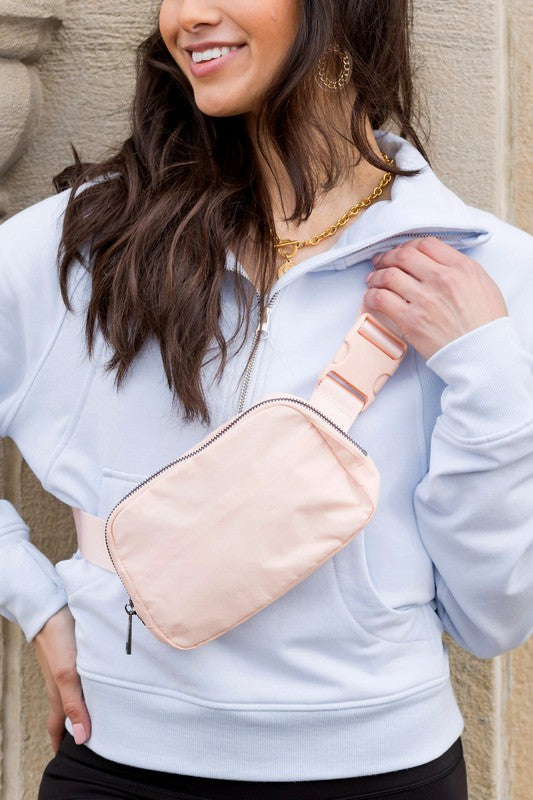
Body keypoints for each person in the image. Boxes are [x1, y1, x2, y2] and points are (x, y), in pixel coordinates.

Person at [0, 0, 532, 798]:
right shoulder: (83, 244)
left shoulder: (485, 273)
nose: (187, 16)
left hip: (383, 770)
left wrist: (483, 364)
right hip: (120, 765)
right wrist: (36, 603)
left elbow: (492, 618)